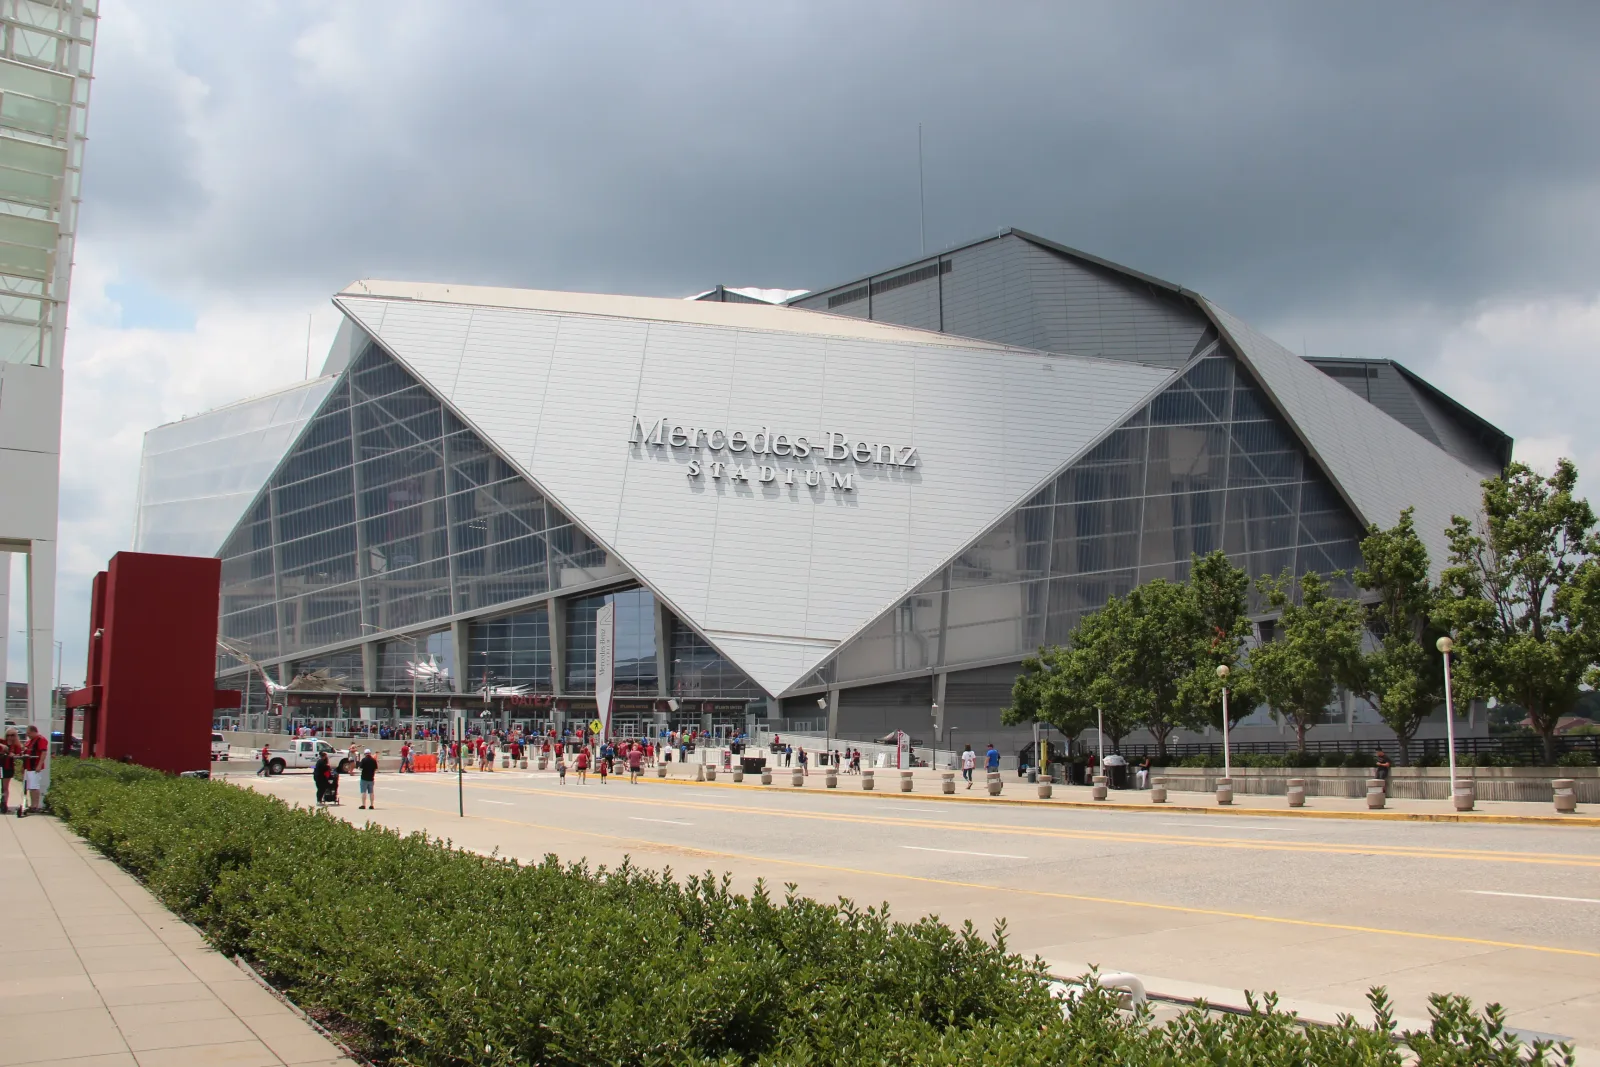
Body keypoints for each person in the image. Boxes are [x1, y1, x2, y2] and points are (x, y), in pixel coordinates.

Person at [17, 725, 47, 817]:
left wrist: (39, 764)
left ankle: (35, 805)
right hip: (28, 767)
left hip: (35, 767)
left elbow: (43, 752)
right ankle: (31, 804)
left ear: (34, 731)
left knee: (34, 786)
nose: (28, 735)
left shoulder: (40, 740)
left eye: (29, 733)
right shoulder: (30, 741)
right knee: (30, 786)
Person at [0, 728, 17, 814]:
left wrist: (13, 755)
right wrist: (3, 746)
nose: (10, 737)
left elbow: (19, 753)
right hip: (0, 765)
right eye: (8, 735)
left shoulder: (16, 745)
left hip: (8, 768)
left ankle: (4, 804)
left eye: (12, 735)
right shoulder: (2, 741)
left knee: (5, 787)